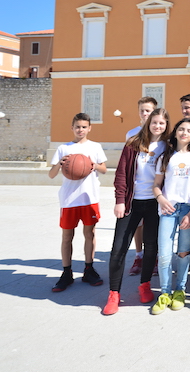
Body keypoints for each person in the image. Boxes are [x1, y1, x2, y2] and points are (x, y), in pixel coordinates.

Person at [103, 108, 169, 315]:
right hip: (132, 202)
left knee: (151, 247)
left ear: (166, 126)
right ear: (148, 122)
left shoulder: (168, 147)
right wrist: (120, 201)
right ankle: (114, 294)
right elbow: (121, 174)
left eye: (162, 123)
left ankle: (145, 286)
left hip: (154, 204)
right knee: (118, 248)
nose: (158, 126)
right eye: (155, 122)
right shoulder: (133, 144)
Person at [48, 112, 107, 292]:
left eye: (84, 127)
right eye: (77, 127)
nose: (80, 130)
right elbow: (51, 174)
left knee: (90, 234)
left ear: (89, 128)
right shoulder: (63, 148)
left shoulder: (95, 147)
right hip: (68, 199)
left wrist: (93, 165)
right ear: (72, 128)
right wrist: (60, 164)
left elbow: (104, 169)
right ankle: (67, 272)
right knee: (67, 236)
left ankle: (89, 269)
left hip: (89, 198)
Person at [150, 118, 190, 315]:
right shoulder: (165, 157)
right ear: (175, 132)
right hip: (168, 208)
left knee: (183, 252)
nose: (184, 133)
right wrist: (161, 199)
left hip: (188, 208)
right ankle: (164, 293)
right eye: (181, 129)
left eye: (189, 130)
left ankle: (180, 290)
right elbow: (156, 184)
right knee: (164, 253)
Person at [124, 96, 157, 277]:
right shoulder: (131, 134)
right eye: (143, 110)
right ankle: (139, 256)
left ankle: (155, 258)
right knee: (138, 226)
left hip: (156, 192)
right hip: (137, 191)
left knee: (154, 227)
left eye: (149, 110)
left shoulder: (162, 135)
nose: (145, 113)